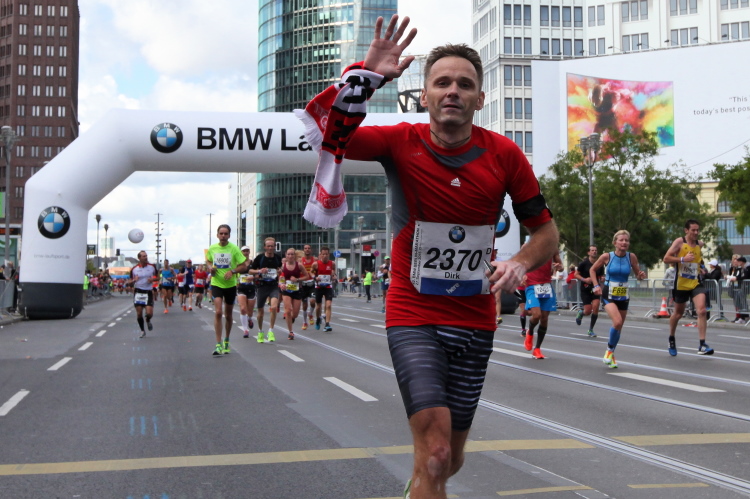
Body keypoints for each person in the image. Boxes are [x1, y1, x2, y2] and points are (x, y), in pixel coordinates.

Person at [298, 15, 558, 498]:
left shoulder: (505, 156)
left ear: (480, 99)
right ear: (425, 96)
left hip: (475, 317)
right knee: (435, 453)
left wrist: (520, 261)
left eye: (465, 84)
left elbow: (545, 231)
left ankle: (419, 487)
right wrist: (366, 76)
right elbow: (332, 132)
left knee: (449, 459)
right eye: (442, 82)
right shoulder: (399, 140)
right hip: (412, 311)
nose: (452, 91)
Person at [590, 230, 647, 368]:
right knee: (617, 321)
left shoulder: (631, 257)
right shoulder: (607, 256)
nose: (624, 242)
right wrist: (596, 285)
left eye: (626, 240)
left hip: (623, 294)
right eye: (621, 240)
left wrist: (640, 276)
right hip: (609, 293)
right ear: (615, 242)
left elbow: (637, 274)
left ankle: (611, 354)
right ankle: (609, 351)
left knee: (619, 326)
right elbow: (592, 270)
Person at [663, 219, 713, 356]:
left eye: (697, 230)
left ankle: (702, 344)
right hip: (681, 284)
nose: (696, 232)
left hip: (695, 282)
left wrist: (701, 267)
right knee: (678, 314)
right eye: (693, 230)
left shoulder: (700, 244)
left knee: (702, 310)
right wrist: (682, 259)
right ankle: (671, 338)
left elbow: (697, 260)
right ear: (686, 230)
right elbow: (666, 258)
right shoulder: (680, 242)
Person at [205, 224, 249, 356]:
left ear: (229, 235)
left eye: (225, 234)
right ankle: (218, 343)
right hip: (217, 283)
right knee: (218, 312)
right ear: (217, 235)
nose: (223, 236)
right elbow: (208, 261)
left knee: (228, 315)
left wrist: (233, 271)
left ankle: (227, 340)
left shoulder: (234, 249)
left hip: (230, 285)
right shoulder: (212, 248)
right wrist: (210, 268)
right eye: (221, 233)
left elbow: (244, 266)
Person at [523, 253, 563, 359]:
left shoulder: (551, 248)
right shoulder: (528, 247)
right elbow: (519, 263)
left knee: (544, 319)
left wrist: (559, 267)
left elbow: (561, 266)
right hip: (531, 285)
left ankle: (537, 349)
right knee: (536, 315)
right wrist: (521, 275)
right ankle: (530, 331)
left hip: (546, 286)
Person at [251, 237, 283, 343]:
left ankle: (271, 331)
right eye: (268, 246)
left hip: (273, 286)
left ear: (274, 247)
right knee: (260, 313)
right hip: (262, 286)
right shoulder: (260, 258)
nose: (270, 248)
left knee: (273, 307)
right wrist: (259, 271)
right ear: (265, 247)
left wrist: (280, 271)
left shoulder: (277, 258)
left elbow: (281, 270)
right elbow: (250, 271)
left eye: (272, 246)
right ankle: (260, 331)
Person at [280, 247, 310, 340]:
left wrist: (297, 279)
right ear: (286, 255)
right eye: (288, 254)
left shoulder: (299, 265)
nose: (290, 256)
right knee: (288, 310)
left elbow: (307, 276)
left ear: (294, 256)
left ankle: (292, 318)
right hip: (286, 290)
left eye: (292, 254)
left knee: (295, 314)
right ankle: (291, 332)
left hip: (297, 290)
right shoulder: (283, 266)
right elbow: (280, 277)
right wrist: (281, 284)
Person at [575, 245, 604, 337]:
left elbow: (601, 276)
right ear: (588, 252)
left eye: (595, 250)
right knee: (588, 311)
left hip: (595, 289)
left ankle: (591, 329)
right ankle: (581, 313)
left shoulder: (600, 264)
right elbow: (576, 274)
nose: (594, 252)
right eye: (592, 250)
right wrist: (584, 279)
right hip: (585, 289)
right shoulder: (584, 264)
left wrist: (602, 278)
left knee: (596, 307)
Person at [128, 251, 158, 338]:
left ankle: (148, 320)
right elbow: (129, 282)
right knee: (139, 313)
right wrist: (134, 280)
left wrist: (152, 280)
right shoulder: (134, 269)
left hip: (148, 292)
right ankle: (142, 330)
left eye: (146, 256)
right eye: (144, 256)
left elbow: (158, 277)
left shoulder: (152, 267)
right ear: (139, 258)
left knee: (149, 313)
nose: (146, 257)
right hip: (138, 292)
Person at [312, 246, 337, 332]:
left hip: (328, 286)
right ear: (320, 254)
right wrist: (315, 277)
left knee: (328, 305)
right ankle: (318, 318)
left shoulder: (332, 263)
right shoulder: (316, 264)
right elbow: (311, 273)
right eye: (323, 254)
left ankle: (327, 324)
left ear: (329, 254)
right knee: (318, 306)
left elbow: (333, 271)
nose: (325, 256)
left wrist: (333, 276)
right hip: (319, 287)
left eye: (326, 254)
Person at [236, 246, 257, 338]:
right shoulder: (238, 263)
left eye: (247, 251)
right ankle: (245, 330)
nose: (245, 253)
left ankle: (249, 318)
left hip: (251, 288)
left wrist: (253, 277)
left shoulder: (253, 263)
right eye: (244, 251)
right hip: (241, 288)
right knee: (243, 308)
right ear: (241, 252)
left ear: (249, 252)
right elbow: (234, 273)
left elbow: (258, 274)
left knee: (250, 310)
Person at [727, 255, 749, 323]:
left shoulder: (747, 268)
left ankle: (745, 316)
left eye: (738, 261)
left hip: (745, 286)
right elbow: (740, 276)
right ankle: (742, 317)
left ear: (742, 262)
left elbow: (746, 276)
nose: (737, 262)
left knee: (743, 302)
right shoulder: (741, 268)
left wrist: (737, 278)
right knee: (739, 302)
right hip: (741, 287)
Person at [300, 244, 317, 330]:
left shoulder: (315, 260)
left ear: (311, 250)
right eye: (305, 248)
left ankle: (310, 313)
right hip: (303, 285)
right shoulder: (300, 260)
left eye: (309, 248)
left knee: (313, 301)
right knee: (304, 304)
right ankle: (304, 321)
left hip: (312, 284)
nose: (307, 250)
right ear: (303, 250)